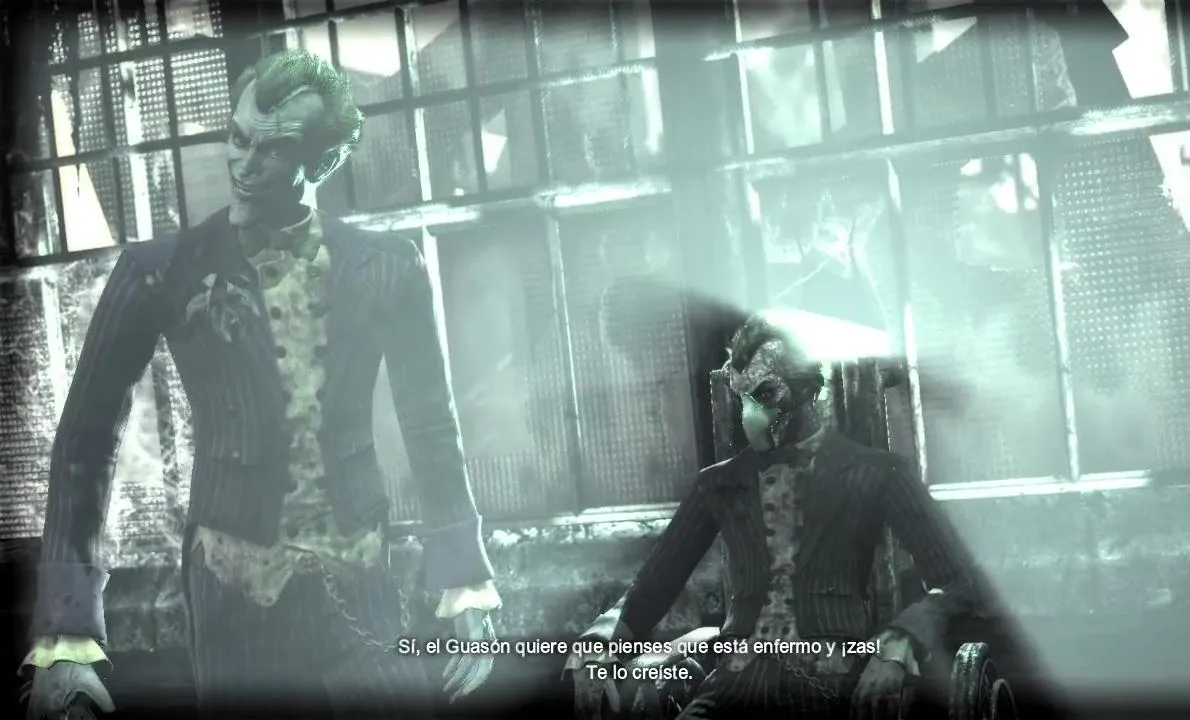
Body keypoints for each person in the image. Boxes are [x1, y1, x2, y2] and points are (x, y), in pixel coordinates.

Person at [22, 49, 500, 719]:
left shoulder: (390, 268)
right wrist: (67, 633)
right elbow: (85, 439)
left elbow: (430, 425)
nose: (244, 165)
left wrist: (466, 583)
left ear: (323, 162)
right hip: (232, 595)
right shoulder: (162, 271)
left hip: (358, 580)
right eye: (238, 138)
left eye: (273, 150)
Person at [566, 313, 985, 719]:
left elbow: (957, 581)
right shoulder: (721, 483)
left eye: (765, 395)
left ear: (806, 388)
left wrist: (900, 641)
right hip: (734, 686)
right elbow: (652, 587)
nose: (751, 415)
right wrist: (599, 642)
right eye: (743, 398)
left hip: (830, 683)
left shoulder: (877, 473)